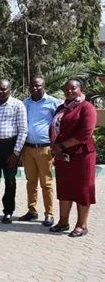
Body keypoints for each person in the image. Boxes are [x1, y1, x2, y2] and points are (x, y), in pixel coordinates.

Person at [49, 79, 97, 237]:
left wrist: (61, 146)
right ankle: (63, 222)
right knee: (64, 187)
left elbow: (85, 134)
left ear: (81, 89)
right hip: (62, 155)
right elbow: (55, 129)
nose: (69, 91)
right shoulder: (61, 108)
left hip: (82, 155)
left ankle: (81, 225)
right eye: (66, 88)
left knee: (83, 189)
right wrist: (57, 149)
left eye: (73, 88)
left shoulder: (87, 108)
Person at [0, 80, 27, 224]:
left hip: (10, 147)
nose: (0, 92)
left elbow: (23, 129)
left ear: (10, 90)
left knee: (10, 181)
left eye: (3, 89)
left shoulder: (18, 105)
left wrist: (16, 152)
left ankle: (8, 211)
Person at [19, 77, 59, 227]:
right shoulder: (25, 103)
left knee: (46, 183)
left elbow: (59, 124)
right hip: (28, 148)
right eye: (32, 86)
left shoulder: (53, 103)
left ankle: (49, 214)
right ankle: (32, 211)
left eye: (38, 85)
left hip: (45, 148)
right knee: (31, 182)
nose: (35, 88)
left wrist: (57, 145)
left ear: (44, 86)